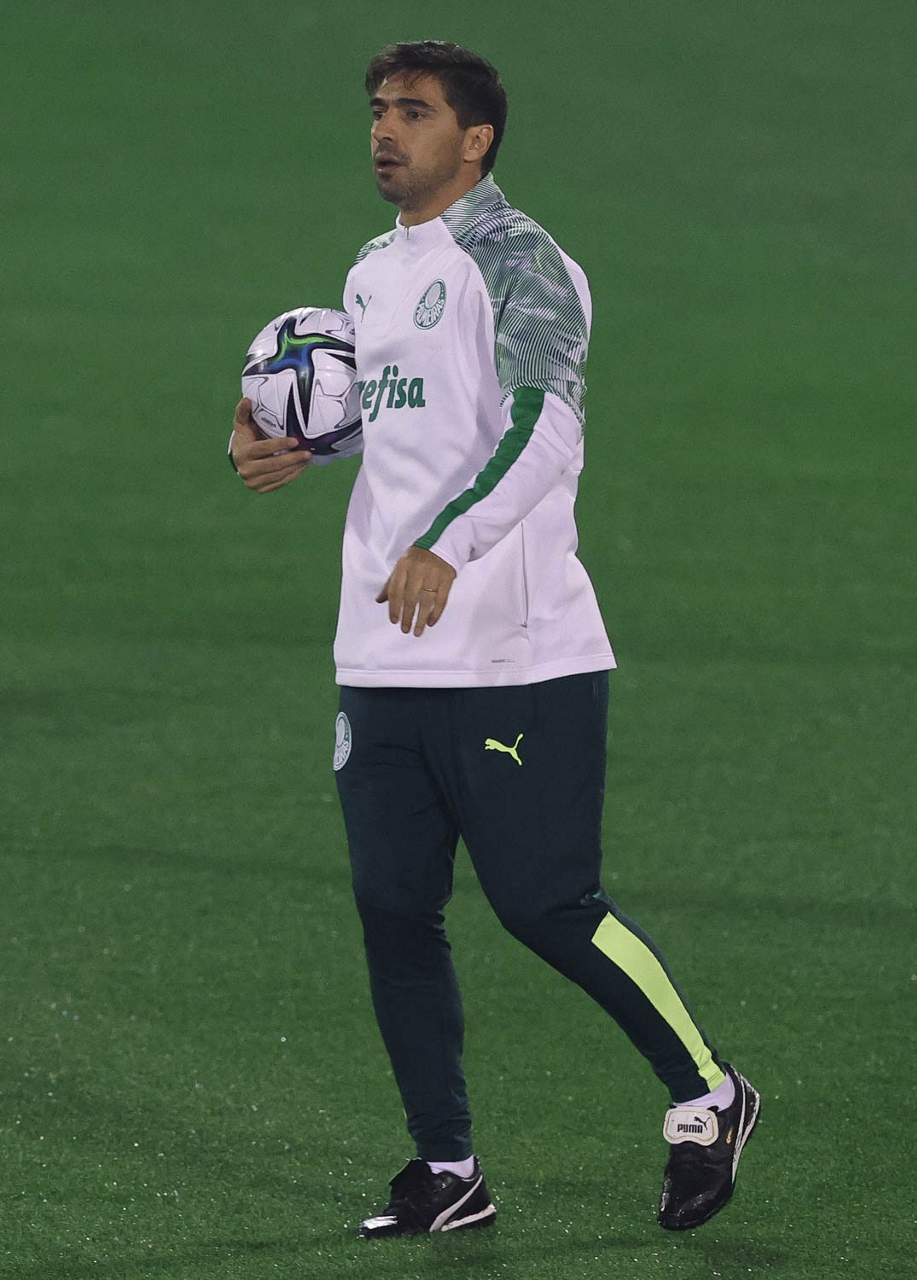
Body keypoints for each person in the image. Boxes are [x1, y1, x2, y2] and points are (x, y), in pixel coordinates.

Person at [229, 40, 759, 1239]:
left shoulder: (523, 263)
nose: (383, 130)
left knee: (545, 902)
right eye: (378, 109)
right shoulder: (372, 271)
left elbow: (542, 424)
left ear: (473, 140)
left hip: (514, 652)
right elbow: (395, 418)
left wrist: (447, 543)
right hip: (381, 654)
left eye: (412, 112)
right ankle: (446, 1166)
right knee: (392, 909)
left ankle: (707, 1092)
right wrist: (277, 439)